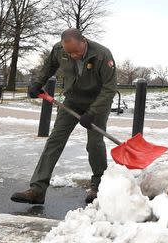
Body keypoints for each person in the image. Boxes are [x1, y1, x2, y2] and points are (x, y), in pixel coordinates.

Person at [11, 28, 117, 205]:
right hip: (72, 99)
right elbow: (48, 68)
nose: (73, 55)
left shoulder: (102, 55)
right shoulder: (59, 50)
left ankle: (98, 186)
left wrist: (92, 112)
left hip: (97, 102)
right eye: (69, 52)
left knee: (95, 143)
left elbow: (109, 88)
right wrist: (37, 83)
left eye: (76, 51)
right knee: (54, 140)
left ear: (84, 41)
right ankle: (37, 190)